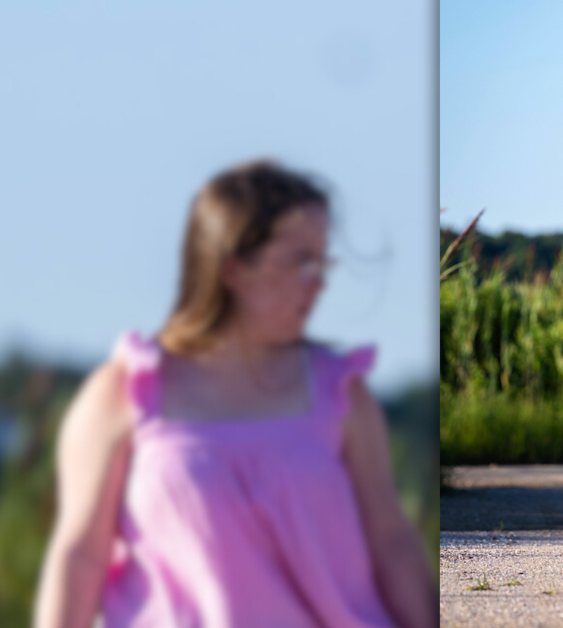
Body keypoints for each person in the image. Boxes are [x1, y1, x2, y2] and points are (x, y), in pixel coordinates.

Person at [33, 161, 436, 627]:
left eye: (323, 261)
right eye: (300, 261)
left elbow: (392, 542)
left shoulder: (342, 391)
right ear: (231, 268)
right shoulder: (126, 389)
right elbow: (80, 554)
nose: (319, 281)